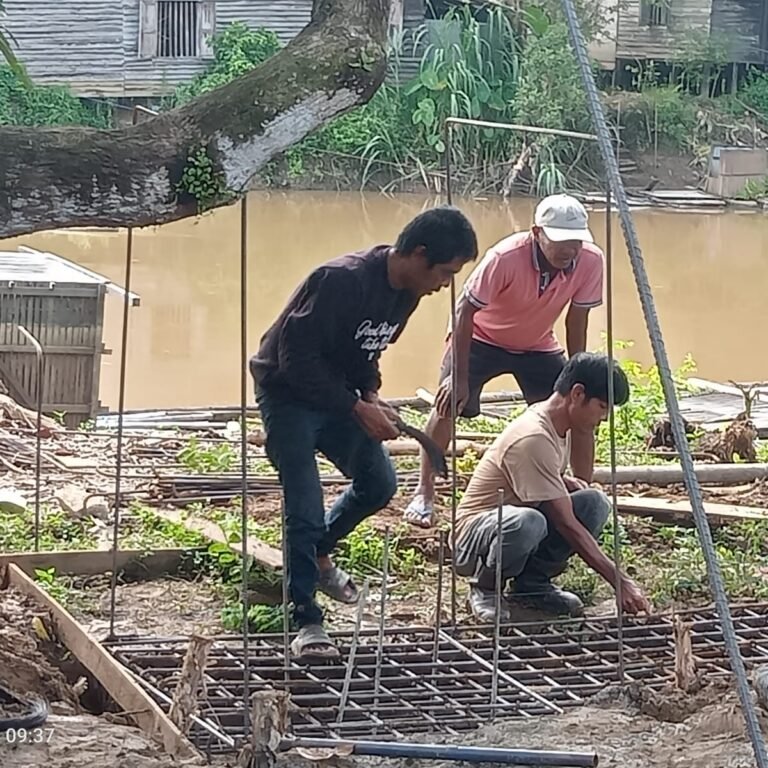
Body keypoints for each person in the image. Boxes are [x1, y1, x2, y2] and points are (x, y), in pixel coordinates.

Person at [251, 206, 478, 659]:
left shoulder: (406, 294)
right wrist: (355, 404)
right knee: (304, 500)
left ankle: (317, 555)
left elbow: (366, 351)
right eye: (447, 272)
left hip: (339, 395)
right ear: (418, 254)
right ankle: (306, 617)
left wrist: (371, 394)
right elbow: (296, 361)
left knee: (379, 482)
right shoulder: (341, 280)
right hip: (288, 394)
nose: (445, 285)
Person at [404, 194, 604, 528]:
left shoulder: (590, 261)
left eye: (575, 242)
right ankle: (425, 490)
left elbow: (576, 318)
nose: (568, 251)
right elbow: (465, 310)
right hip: (482, 338)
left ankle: (581, 489)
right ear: (536, 232)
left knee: (577, 409)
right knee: (449, 402)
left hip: (537, 343)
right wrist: (460, 377)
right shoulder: (505, 257)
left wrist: (577, 369)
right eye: (560, 242)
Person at [452, 352, 650, 622]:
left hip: (514, 519)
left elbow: (551, 478)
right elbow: (566, 523)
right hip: (474, 536)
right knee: (528, 522)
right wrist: (620, 582)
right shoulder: (534, 436)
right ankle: (486, 587)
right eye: (602, 406)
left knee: (593, 503)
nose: (604, 417)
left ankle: (532, 585)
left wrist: (563, 480)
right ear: (577, 394)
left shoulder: (561, 424)